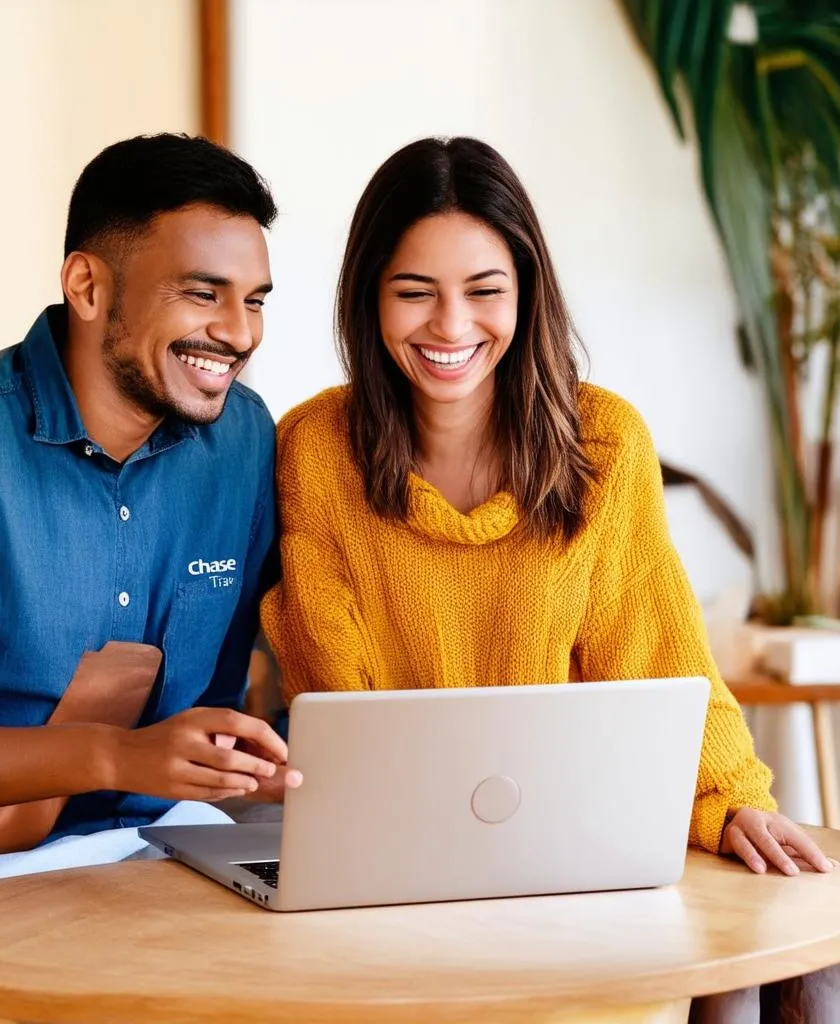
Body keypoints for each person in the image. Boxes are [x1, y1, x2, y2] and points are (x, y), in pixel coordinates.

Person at [260, 136, 836, 1022]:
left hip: (573, 877)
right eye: (415, 293)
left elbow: (661, 651)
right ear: (368, 298)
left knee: (776, 961)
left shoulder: (605, 445)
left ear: (527, 293)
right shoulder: (315, 452)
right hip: (388, 885)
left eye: (484, 291)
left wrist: (730, 799)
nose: (451, 328)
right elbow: (336, 701)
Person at [0, 132, 300, 954]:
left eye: (254, 300)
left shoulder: (247, 441)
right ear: (86, 285)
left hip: (161, 836)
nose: (238, 332)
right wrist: (112, 756)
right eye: (202, 293)